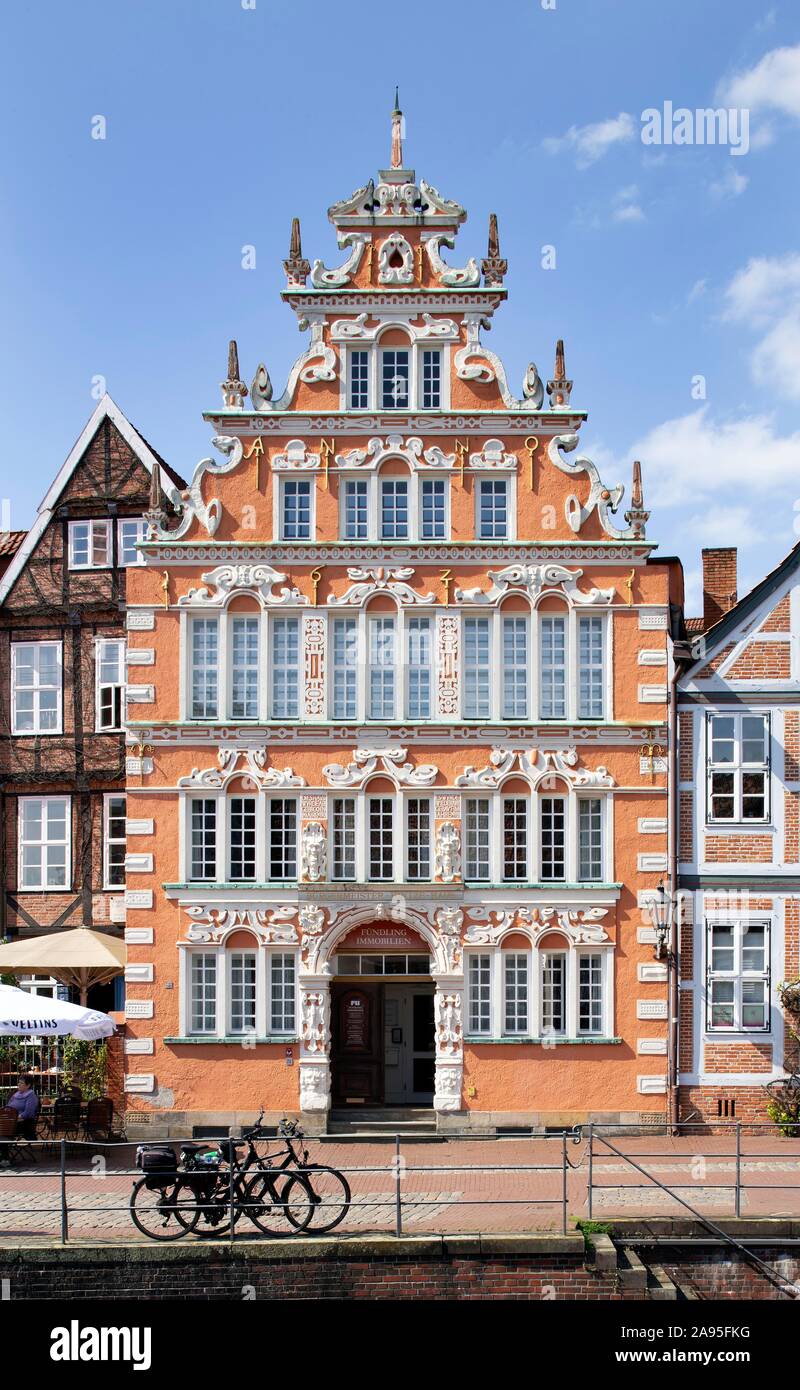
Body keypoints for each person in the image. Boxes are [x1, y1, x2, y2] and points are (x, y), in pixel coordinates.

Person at [6, 1074, 40, 1140]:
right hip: (10, 1121)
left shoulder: (31, 1096)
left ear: (28, 1085)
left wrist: (15, 1118)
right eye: (19, 1082)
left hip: (23, 1124)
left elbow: (28, 1113)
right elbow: (7, 1107)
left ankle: (3, 1146)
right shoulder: (15, 1094)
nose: (19, 1084)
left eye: (21, 1083)